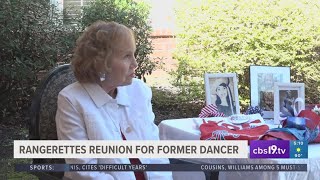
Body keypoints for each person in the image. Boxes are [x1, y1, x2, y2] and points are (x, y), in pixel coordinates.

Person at [55, 21, 173, 180]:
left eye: (134, 54)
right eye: (126, 56)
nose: (135, 64)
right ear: (101, 63)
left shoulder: (139, 90)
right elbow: (83, 172)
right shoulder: (72, 100)